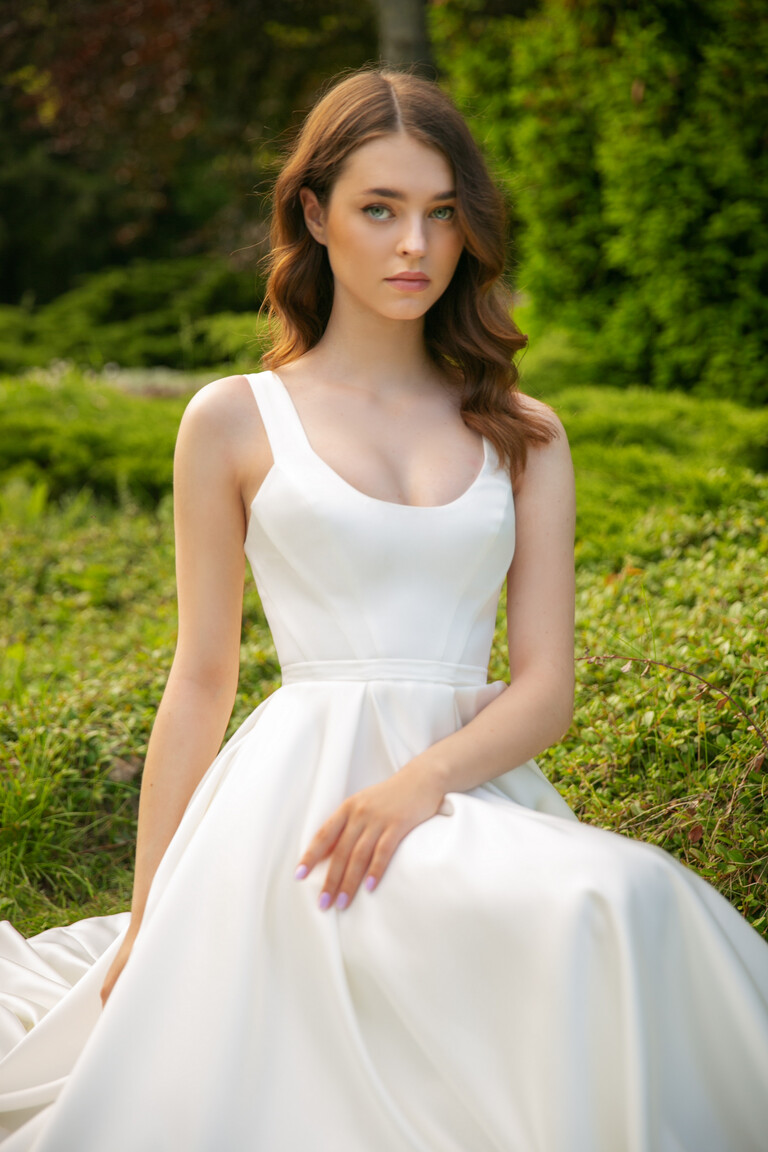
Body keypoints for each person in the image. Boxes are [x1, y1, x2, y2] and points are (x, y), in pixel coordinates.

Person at [0, 66, 767, 1152]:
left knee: (629, 897)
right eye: (380, 209)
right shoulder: (232, 420)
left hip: (464, 790)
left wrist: (420, 784)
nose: (415, 244)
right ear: (314, 215)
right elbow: (202, 677)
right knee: (591, 912)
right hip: (301, 814)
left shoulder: (524, 432)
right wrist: (150, 917)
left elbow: (547, 688)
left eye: (442, 213)